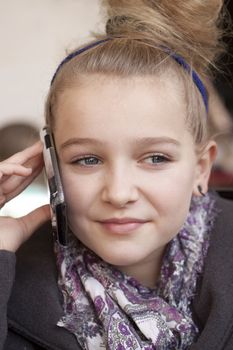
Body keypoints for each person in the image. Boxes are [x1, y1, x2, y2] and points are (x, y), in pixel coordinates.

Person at [0, 0, 233, 349]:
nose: (119, 193)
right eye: (88, 160)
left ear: (201, 168)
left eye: (155, 158)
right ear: (50, 165)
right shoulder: (12, 285)